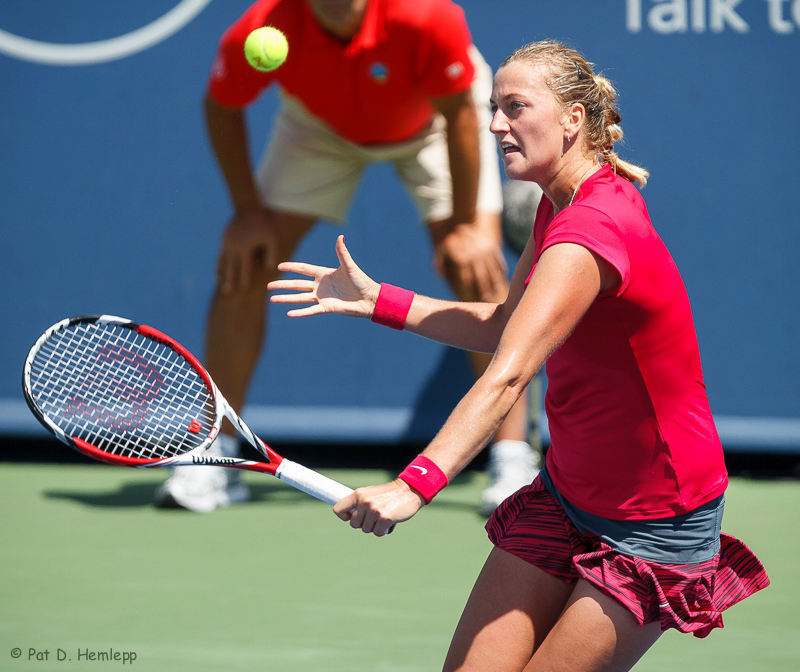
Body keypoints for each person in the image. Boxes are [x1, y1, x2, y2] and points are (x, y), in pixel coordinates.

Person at [267, 40, 770, 671]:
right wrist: (380, 302)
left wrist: (413, 484)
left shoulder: (591, 230)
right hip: (570, 492)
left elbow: (507, 376)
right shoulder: (559, 204)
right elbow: (505, 325)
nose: (497, 124)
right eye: (492, 107)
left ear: (572, 120)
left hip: (655, 517)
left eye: (515, 106)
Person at [154, 0, 540, 514]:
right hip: (317, 128)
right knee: (247, 264)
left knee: (476, 267)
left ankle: (512, 457)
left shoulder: (427, 17)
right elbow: (221, 105)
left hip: (434, 122)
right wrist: (248, 213)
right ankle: (216, 455)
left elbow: (459, 116)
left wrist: (469, 228)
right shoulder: (263, 25)